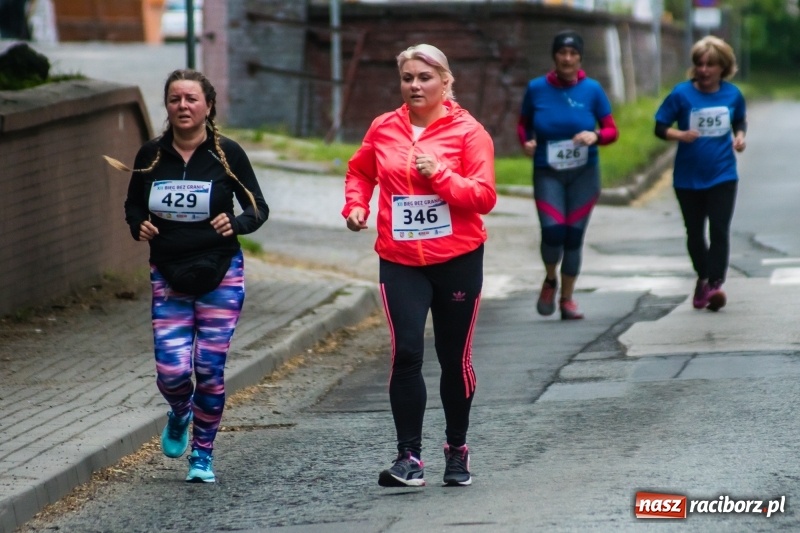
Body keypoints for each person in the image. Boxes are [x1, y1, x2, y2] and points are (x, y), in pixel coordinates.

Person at [343, 44, 496, 487]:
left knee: (454, 357)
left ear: (446, 82)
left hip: (458, 258)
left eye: (424, 78)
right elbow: (361, 172)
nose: (414, 85)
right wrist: (355, 206)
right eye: (407, 77)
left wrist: (441, 175)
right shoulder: (383, 128)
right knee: (406, 351)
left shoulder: (469, 133)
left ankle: (457, 448)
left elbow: (484, 196)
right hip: (400, 258)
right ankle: (408, 457)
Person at [107, 69, 269, 483]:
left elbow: (258, 208)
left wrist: (236, 223)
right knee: (173, 371)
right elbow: (133, 205)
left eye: (191, 99)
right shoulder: (151, 155)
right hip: (168, 274)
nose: (183, 106)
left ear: (208, 106)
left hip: (221, 273)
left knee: (209, 368)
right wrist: (137, 224)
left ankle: (203, 455)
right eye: (175, 99)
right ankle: (180, 412)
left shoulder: (227, 153)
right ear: (167, 106)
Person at [517, 30, 619, 320]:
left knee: (573, 237)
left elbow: (612, 130)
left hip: (584, 174)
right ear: (555, 56)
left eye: (573, 53)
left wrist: (595, 135)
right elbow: (524, 125)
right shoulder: (537, 89)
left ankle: (567, 299)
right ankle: (551, 279)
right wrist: (527, 142)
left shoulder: (593, 90)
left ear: (580, 58)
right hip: (548, 172)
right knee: (552, 231)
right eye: (562, 52)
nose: (567, 58)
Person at [654, 36, 746, 312]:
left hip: (722, 174)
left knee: (719, 229)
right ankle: (704, 278)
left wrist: (740, 137)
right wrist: (679, 134)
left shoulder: (732, 95)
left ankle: (714, 284)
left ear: (723, 67)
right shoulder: (681, 94)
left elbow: (739, 120)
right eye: (699, 64)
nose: (704, 70)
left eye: (711, 65)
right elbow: (659, 127)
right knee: (694, 233)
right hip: (687, 177)